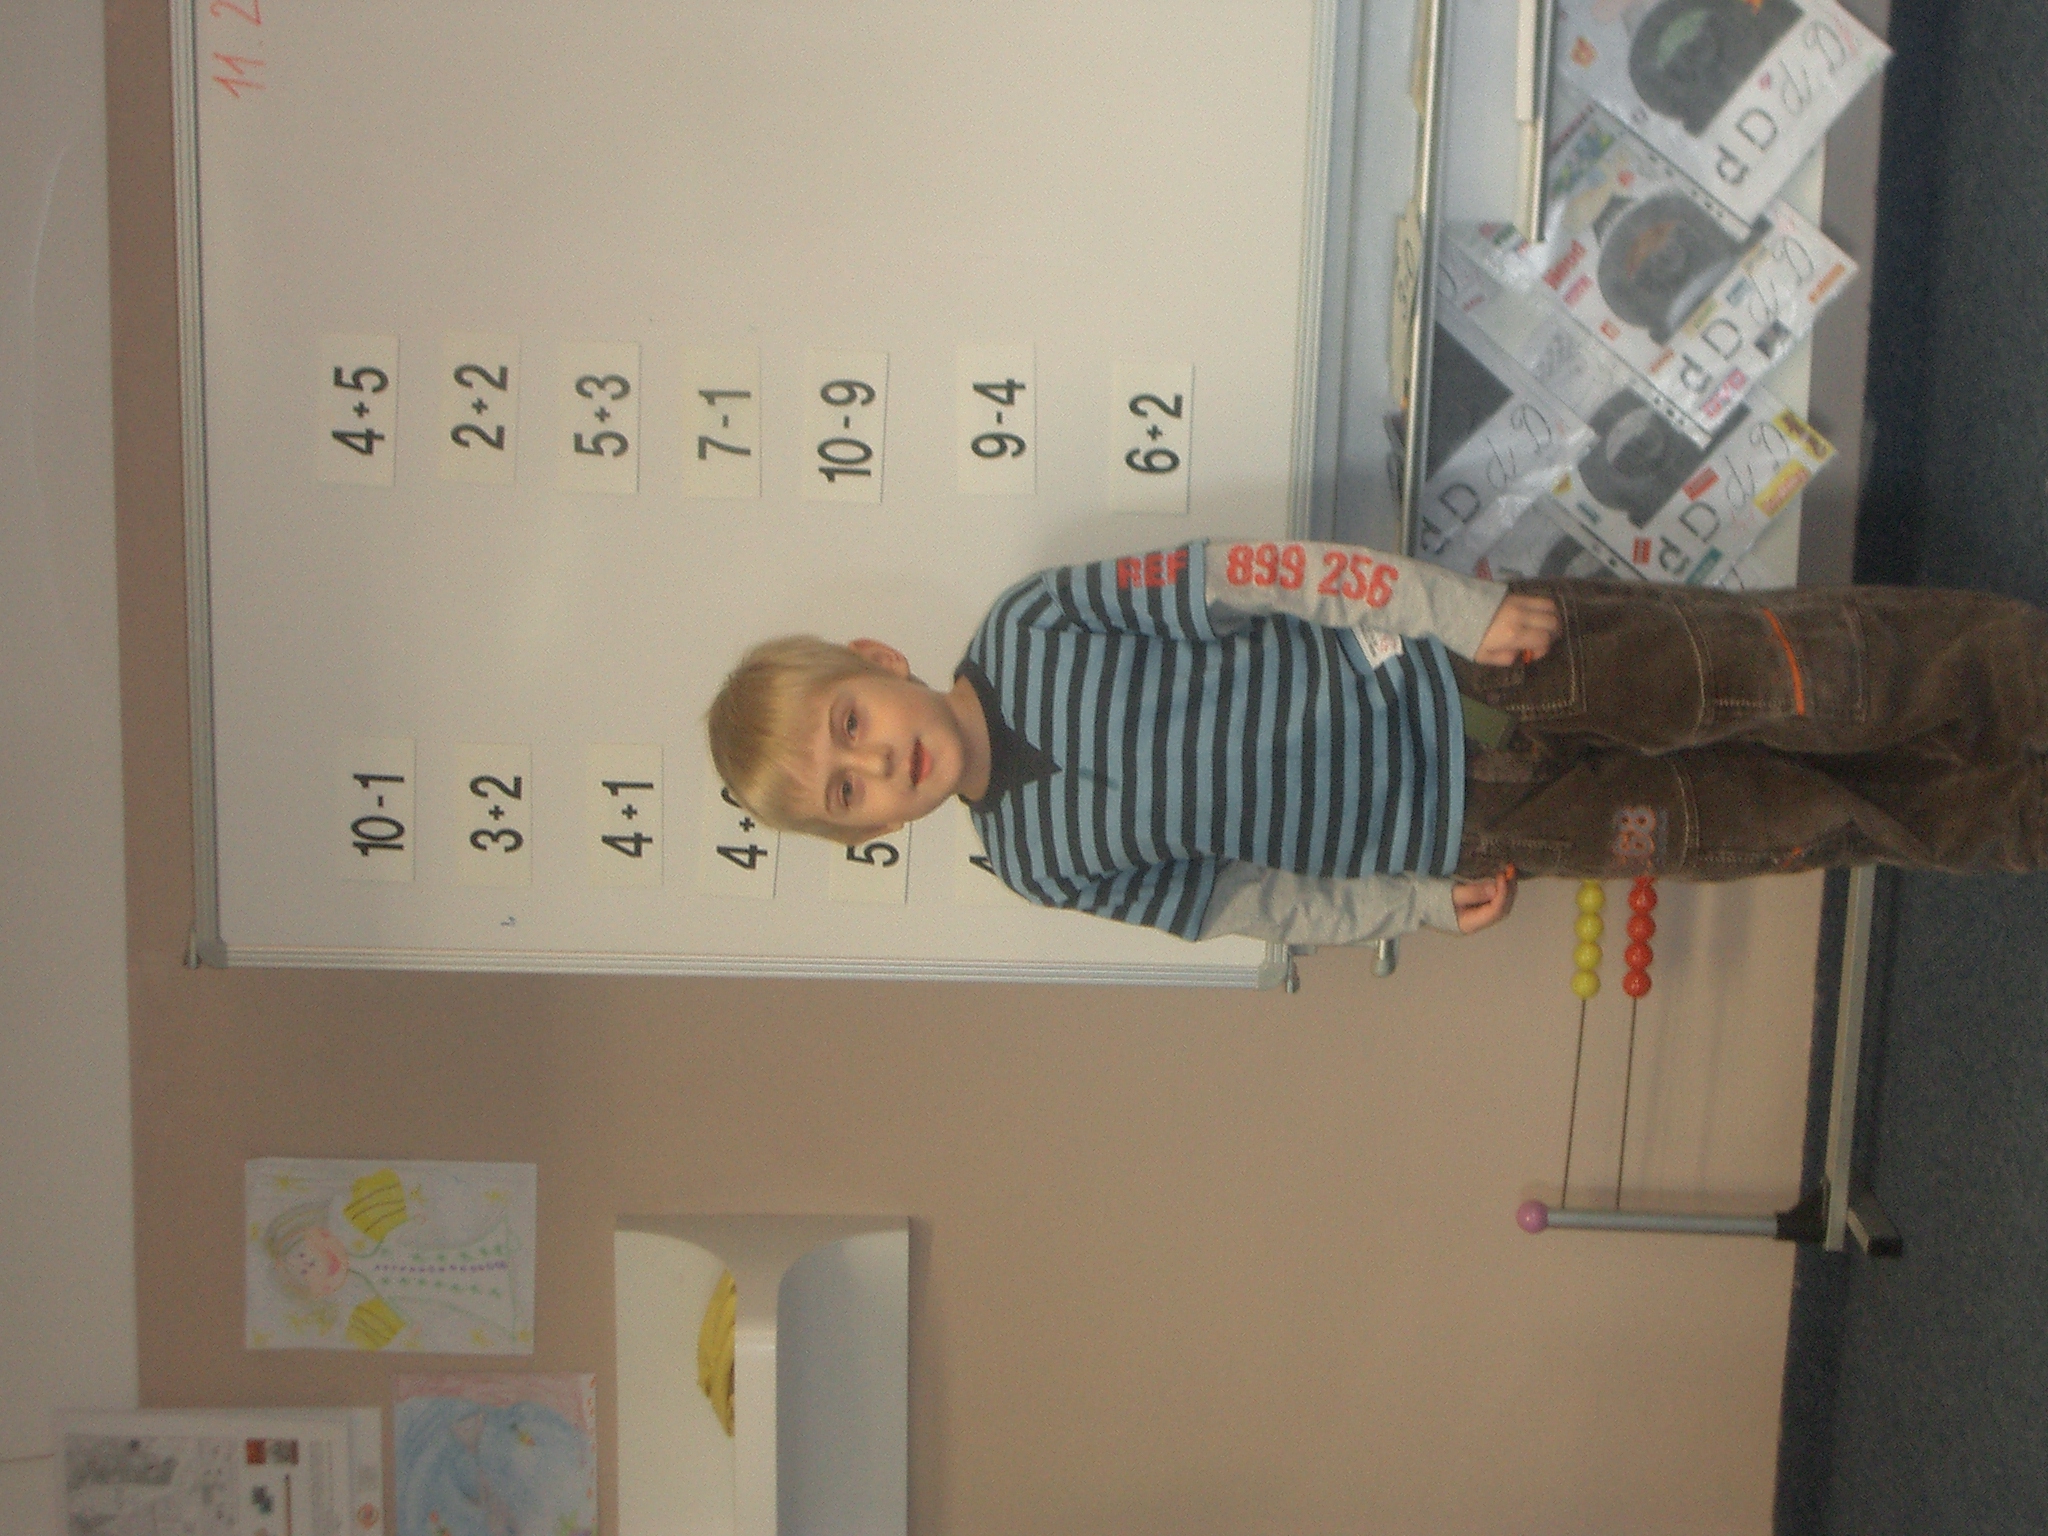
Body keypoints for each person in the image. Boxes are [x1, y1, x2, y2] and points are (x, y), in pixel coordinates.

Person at [705, 538, 2048, 947]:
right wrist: (1409, 903)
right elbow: (1245, 903)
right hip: (1481, 828)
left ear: (876, 662)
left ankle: (2016, 681)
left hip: (1486, 673)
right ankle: (2012, 821)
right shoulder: (1036, 863)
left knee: (1792, 678)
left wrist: (1456, 611)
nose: (876, 767)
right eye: (846, 795)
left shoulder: (1037, 620)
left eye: (850, 726)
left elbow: (1265, 573)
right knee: (1773, 823)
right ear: (865, 833)